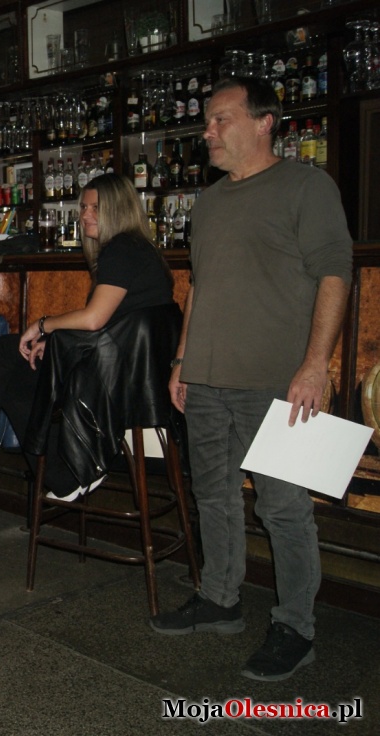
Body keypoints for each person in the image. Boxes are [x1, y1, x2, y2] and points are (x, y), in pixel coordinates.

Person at [151, 76, 352, 682]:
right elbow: (200, 286)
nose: (207, 131)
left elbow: (335, 274)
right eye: (207, 121)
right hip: (207, 378)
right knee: (213, 496)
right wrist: (182, 359)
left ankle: (295, 627)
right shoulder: (209, 202)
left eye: (221, 119)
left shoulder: (307, 186)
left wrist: (315, 366)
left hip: (278, 381)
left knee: (283, 509)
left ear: (265, 122)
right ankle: (220, 599)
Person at [0, 173, 177, 501]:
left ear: (118, 211)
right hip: (130, 375)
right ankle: (66, 475)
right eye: (84, 207)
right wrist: (55, 340)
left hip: (112, 381)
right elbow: (116, 325)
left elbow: (95, 319)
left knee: (9, 353)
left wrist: (44, 325)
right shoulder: (139, 250)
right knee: (15, 370)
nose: (85, 215)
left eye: (96, 208)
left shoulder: (121, 249)